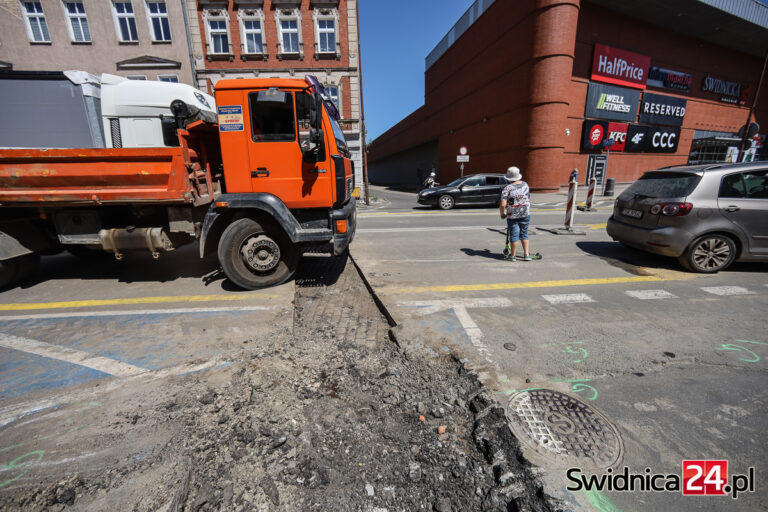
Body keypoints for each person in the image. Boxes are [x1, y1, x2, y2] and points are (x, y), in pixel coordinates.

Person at [499, 166, 531, 261]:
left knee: (514, 235)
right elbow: (528, 198)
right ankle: (526, 255)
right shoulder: (525, 185)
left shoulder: (507, 188)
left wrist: (502, 214)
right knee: (524, 234)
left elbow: (502, 204)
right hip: (525, 213)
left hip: (512, 215)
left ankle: (513, 256)